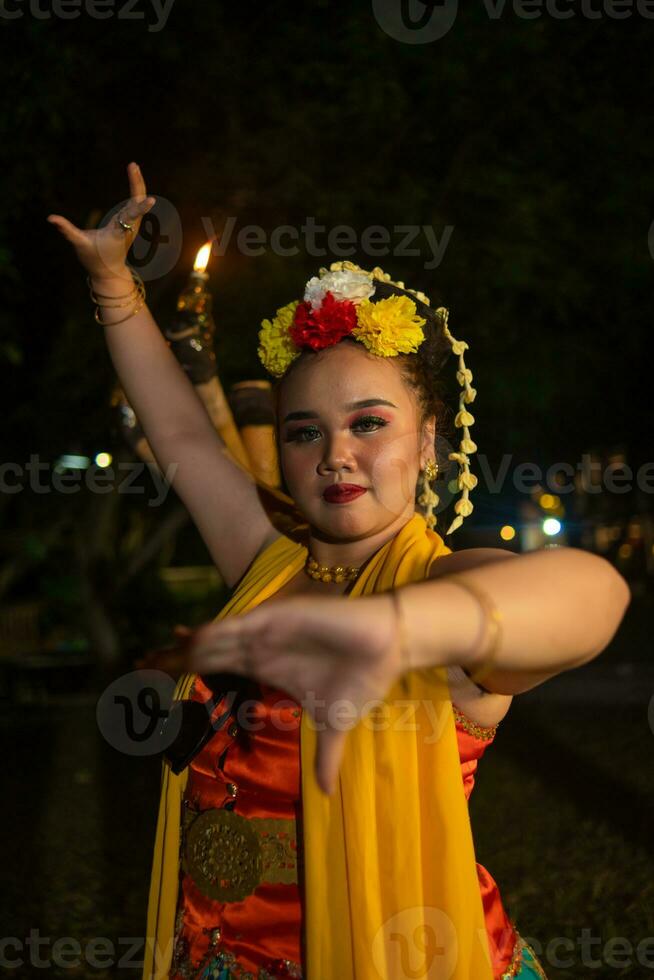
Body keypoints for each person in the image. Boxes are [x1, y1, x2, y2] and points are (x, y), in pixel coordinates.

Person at [48, 164, 630, 980]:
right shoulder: (266, 557)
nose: (336, 455)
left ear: (427, 443)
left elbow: (592, 595)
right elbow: (180, 436)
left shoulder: (439, 585)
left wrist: (399, 626)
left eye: (369, 423)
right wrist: (115, 288)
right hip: (217, 950)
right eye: (305, 431)